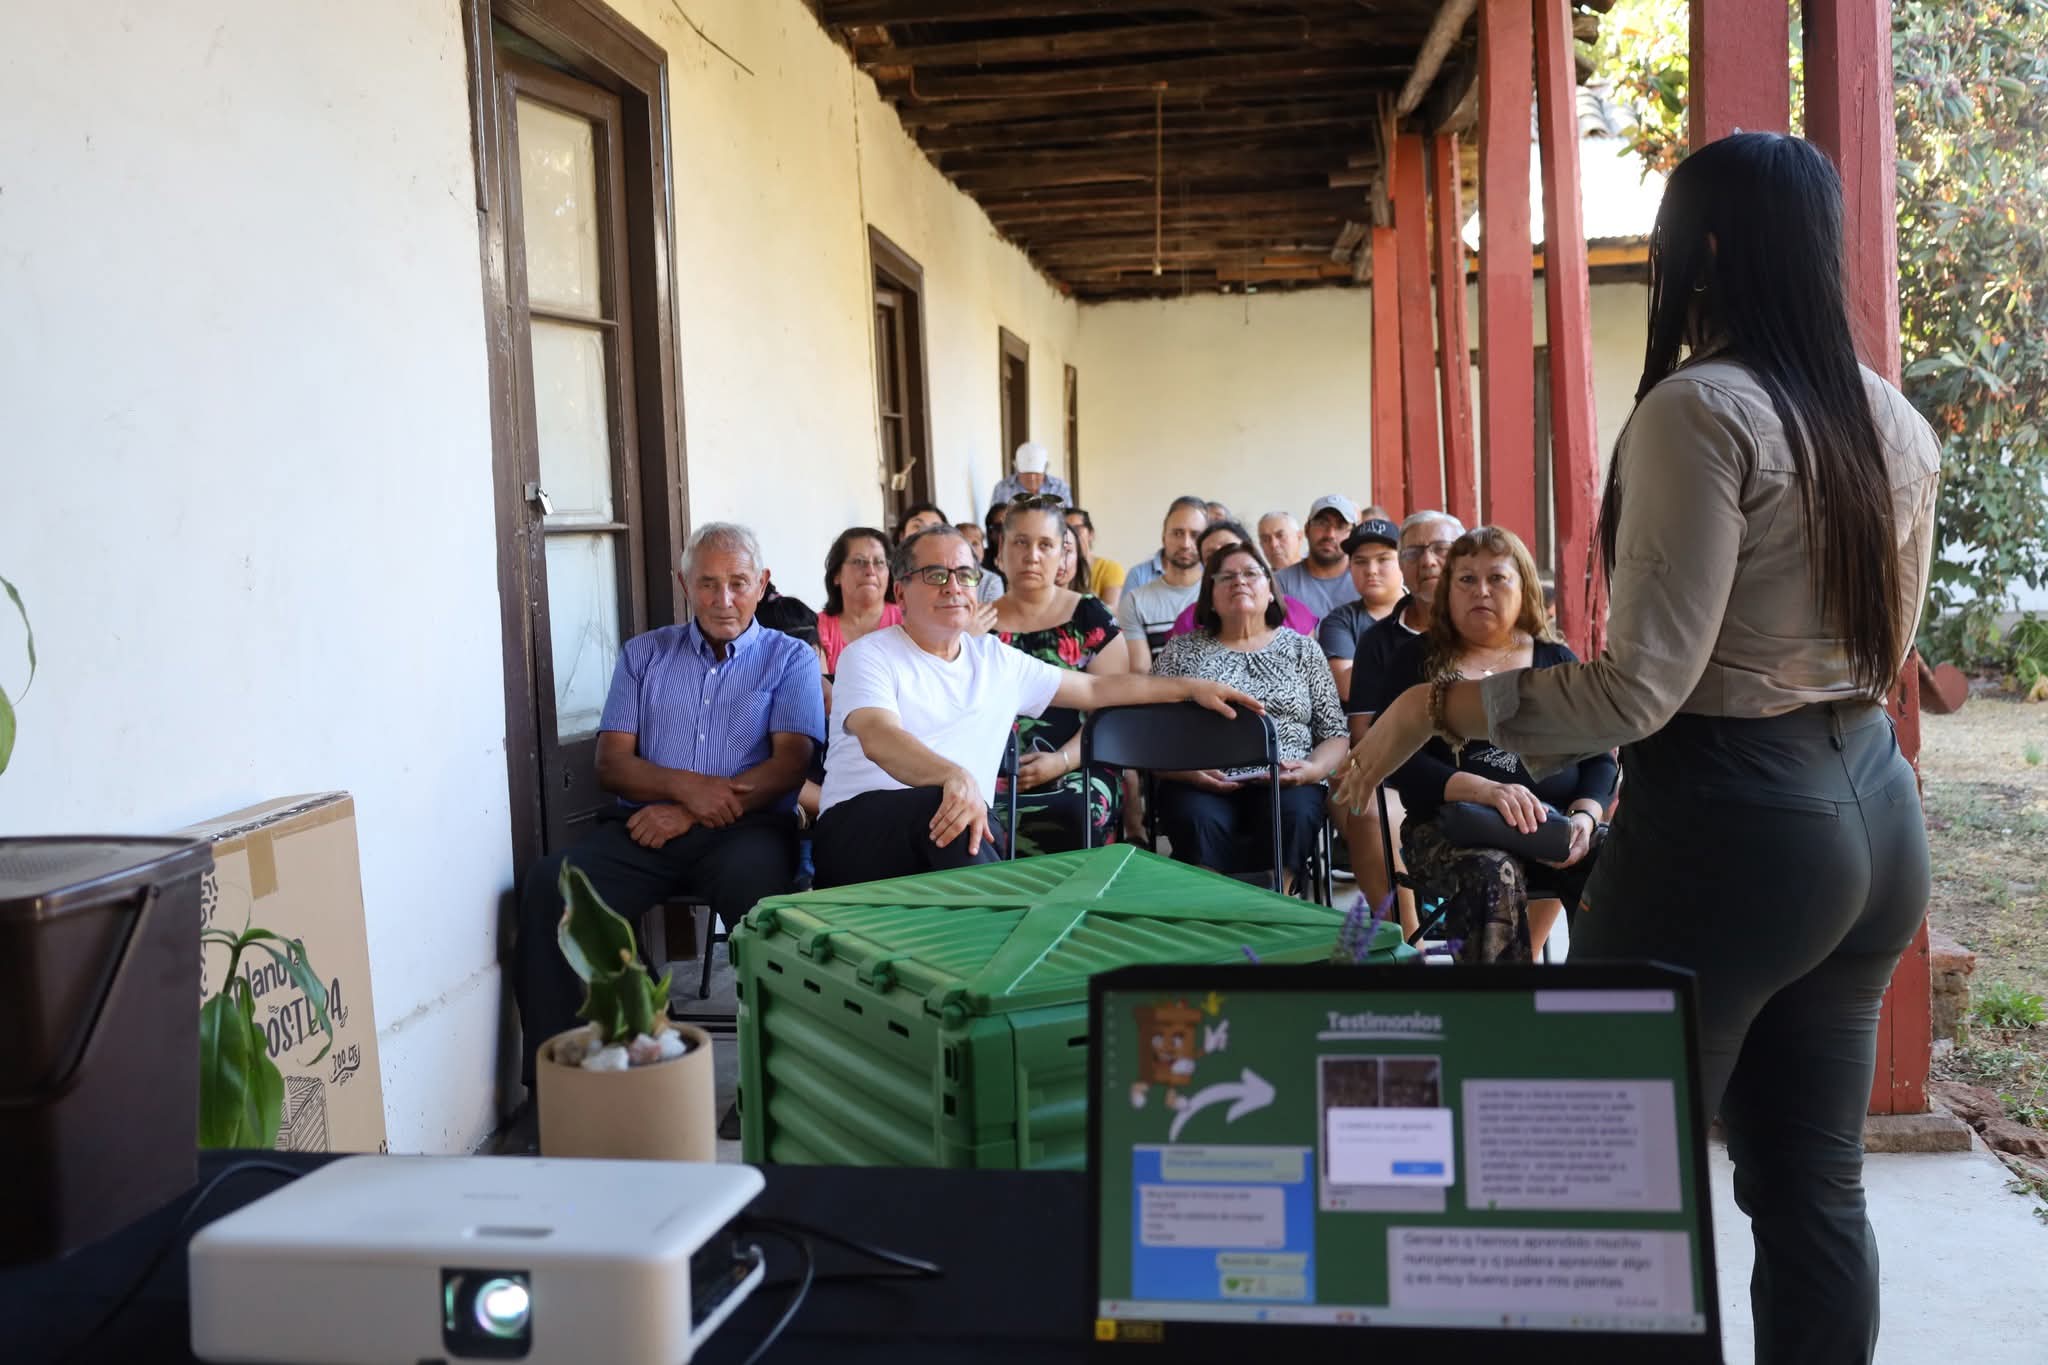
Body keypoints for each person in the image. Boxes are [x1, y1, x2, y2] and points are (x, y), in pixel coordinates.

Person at [1335, 133, 1939, 1364]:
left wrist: (1434, 710)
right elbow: (1887, 652)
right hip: (1872, 812)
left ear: (1701, 249)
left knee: (1593, 1179)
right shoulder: (1892, 417)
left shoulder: (1699, 409)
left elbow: (1640, 693)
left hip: (1736, 825)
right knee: (1810, 1186)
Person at [511, 523, 823, 1082]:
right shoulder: (645, 655)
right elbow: (612, 764)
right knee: (551, 885)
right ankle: (558, 1083)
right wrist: (685, 790)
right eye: (707, 583)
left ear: (763, 583)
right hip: (647, 826)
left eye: (738, 582)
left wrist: (691, 810)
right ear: (684, 583)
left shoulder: (789, 658)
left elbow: (788, 766)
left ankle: (771, 1085)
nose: (723, 599)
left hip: (746, 828)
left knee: (761, 910)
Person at [813, 525, 1258, 888]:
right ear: (900, 590)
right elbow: (878, 737)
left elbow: (1095, 691)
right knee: (952, 808)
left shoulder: (995, 660)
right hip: (859, 836)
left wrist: (1190, 688)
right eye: (935, 575)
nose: (953, 587)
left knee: (969, 818)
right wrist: (954, 776)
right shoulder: (870, 655)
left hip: (955, 830)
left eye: (965, 575)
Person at [1358, 527, 1615, 961]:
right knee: (1492, 870)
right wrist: (1487, 790)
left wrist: (1584, 819)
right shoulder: (1416, 661)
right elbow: (1399, 762)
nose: (1482, 591)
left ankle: (1604, 1004)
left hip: (1550, 828)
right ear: (1448, 593)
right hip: (1452, 830)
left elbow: (1598, 761)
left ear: (1524, 588)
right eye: (1466, 579)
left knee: (1617, 857)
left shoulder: (1555, 660)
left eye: (1497, 578)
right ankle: (1501, 1014)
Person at [1150, 542, 1349, 882]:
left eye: (1250, 574)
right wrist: (1185, 772)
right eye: (1226, 576)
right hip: (1200, 779)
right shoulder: (1180, 651)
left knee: (1296, 813)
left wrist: (1312, 770)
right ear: (1209, 596)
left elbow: (1334, 732)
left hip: (1285, 779)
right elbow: (1150, 732)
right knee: (1197, 819)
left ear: (1271, 591)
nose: (1238, 581)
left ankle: (1276, 906)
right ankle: (1212, 916)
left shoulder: (1302, 648)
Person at [1336, 510, 1465, 929]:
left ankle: (1526, 950)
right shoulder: (1381, 640)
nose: (1428, 561)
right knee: (1366, 808)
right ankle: (1410, 943)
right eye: (1414, 552)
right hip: (1401, 774)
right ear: (1403, 567)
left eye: (1441, 549)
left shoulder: (1493, 627)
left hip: (1486, 770)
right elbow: (1364, 735)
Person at [991, 499, 1127, 854]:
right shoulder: (979, 625)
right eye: (1020, 542)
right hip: (994, 768)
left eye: (1045, 545)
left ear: (1063, 554)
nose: (1032, 555)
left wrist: (1062, 761)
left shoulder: (1090, 617)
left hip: (1080, 764)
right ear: (1001, 551)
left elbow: (1114, 708)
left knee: (1071, 811)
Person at [1166, 520, 1318, 643]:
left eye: (1230, 549)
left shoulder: (1296, 614)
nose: (1224, 559)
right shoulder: (1188, 622)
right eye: (1211, 556)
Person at [1115, 495, 1210, 671]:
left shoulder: (1221, 594)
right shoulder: (1135, 602)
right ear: (1163, 538)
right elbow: (1142, 676)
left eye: (1195, 535)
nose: (1186, 544)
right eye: (1178, 533)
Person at [1316, 517, 1406, 700]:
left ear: (1403, 561)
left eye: (1383, 559)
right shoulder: (1339, 621)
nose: (1371, 570)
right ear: (1350, 567)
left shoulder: (1431, 610)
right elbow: (1349, 688)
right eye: (1360, 561)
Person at [817, 526, 902, 675]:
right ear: (836, 574)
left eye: (879, 562)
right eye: (859, 561)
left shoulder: (907, 621)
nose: (870, 571)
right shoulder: (818, 628)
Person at [1274, 494, 1362, 619]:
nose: (1330, 534)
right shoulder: (1281, 583)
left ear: (1353, 534)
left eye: (1341, 526)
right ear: (1307, 529)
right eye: (1322, 523)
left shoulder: (1364, 580)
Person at [1065, 507, 1125, 609]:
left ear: (1091, 534)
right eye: (1065, 531)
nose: (1071, 535)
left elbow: (1112, 611)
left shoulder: (1109, 568)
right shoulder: (1058, 569)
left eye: (1077, 529)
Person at [987, 439, 1072, 510]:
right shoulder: (1002, 488)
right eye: (1026, 474)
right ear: (1017, 469)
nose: (1032, 478)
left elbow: (1068, 517)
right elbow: (995, 518)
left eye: (1036, 473)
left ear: (1045, 468)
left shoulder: (1060, 487)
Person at [977, 503, 1007, 602]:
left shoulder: (1030, 558)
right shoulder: (981, 560)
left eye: (1011, 525)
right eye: (999, 527)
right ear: (990, 532)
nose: (1005, 531)